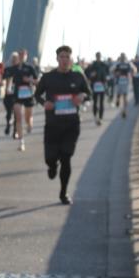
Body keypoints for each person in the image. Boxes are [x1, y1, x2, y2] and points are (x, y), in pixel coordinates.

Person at [34, 45, 91, 205]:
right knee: (50, 159)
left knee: (66, 158)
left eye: (67, 57)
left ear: (71, 59)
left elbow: (89, 93)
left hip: (72, 125)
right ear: (57, 59)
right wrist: (45, 103)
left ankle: (63, 192)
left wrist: (82, 95)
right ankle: (52, 166)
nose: (65, 60)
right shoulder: (48, 77)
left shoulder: (78, 77)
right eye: (62, 57)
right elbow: (37, 95)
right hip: (52, 124)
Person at [11, 48, 39, 152]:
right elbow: (7, 77)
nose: (22, 56)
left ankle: (29, 124)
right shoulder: (15, 68)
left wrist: (29, 80)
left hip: (28, 94)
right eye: (20, 54)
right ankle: (21, 142)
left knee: (28, 118)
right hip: (17, 95)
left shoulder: (30, 67)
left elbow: (37, 81)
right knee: (18, 117)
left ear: (26, 55)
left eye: (24, 54)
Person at [85, 52, 110, 125]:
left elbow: (108, 74)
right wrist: (91, 75)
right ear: (96, 56)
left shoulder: (104, 65)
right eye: (97, 56)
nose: (98, 57)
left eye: (99, 56)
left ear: (100, 56)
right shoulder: (92, 65)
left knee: (101, 102)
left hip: (102, 85)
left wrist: (106, 78)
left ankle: (100, 118)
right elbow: (87, 73)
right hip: (95, 85)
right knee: (95, 102)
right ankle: (95, 116)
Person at [2, 51, 21, 137]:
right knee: (9, 113)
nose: (13, 60)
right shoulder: (7, 69)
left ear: (18, 60)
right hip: (8, 94)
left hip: (17, 95)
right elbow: (2, 79)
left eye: (15, 59)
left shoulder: (20, 69)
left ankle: (15, 131)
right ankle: (8, 124)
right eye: (12, 59)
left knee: (16, 113)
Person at [112, 53, 135, 119]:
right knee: (119, 95)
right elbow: (112, 70)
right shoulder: (117, 64)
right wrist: (116, 74)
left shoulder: (128, 64)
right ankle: (118, 101)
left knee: (125, 97)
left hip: (125, 82)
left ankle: (124, 111)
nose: (122, 58)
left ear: (125, 57)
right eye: (122, 57)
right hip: (119, 82)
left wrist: (131, 75)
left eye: (123, 57)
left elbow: (134, 69)